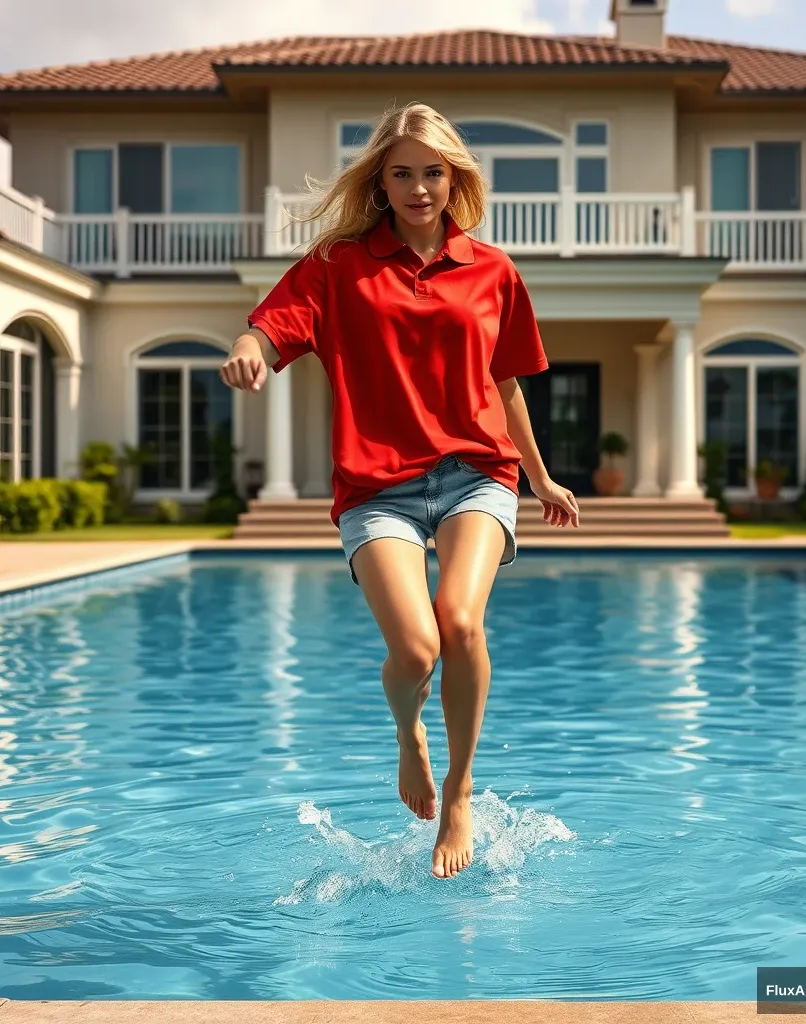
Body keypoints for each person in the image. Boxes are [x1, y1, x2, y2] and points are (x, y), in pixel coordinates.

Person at [219, 102, 580, 879]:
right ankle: (409, 736)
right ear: (380, 182)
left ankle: (459, 790)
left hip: (476, 472)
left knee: (460, 620)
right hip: (375, 486)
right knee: (415, 649)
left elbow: (507, 386)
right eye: (402, 173)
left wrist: (541, 475)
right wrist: (248, 347)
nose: (419, 188)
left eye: (433, 173)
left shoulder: (493, 270)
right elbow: (272, 326)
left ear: (456, 179)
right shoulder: (337, 265)